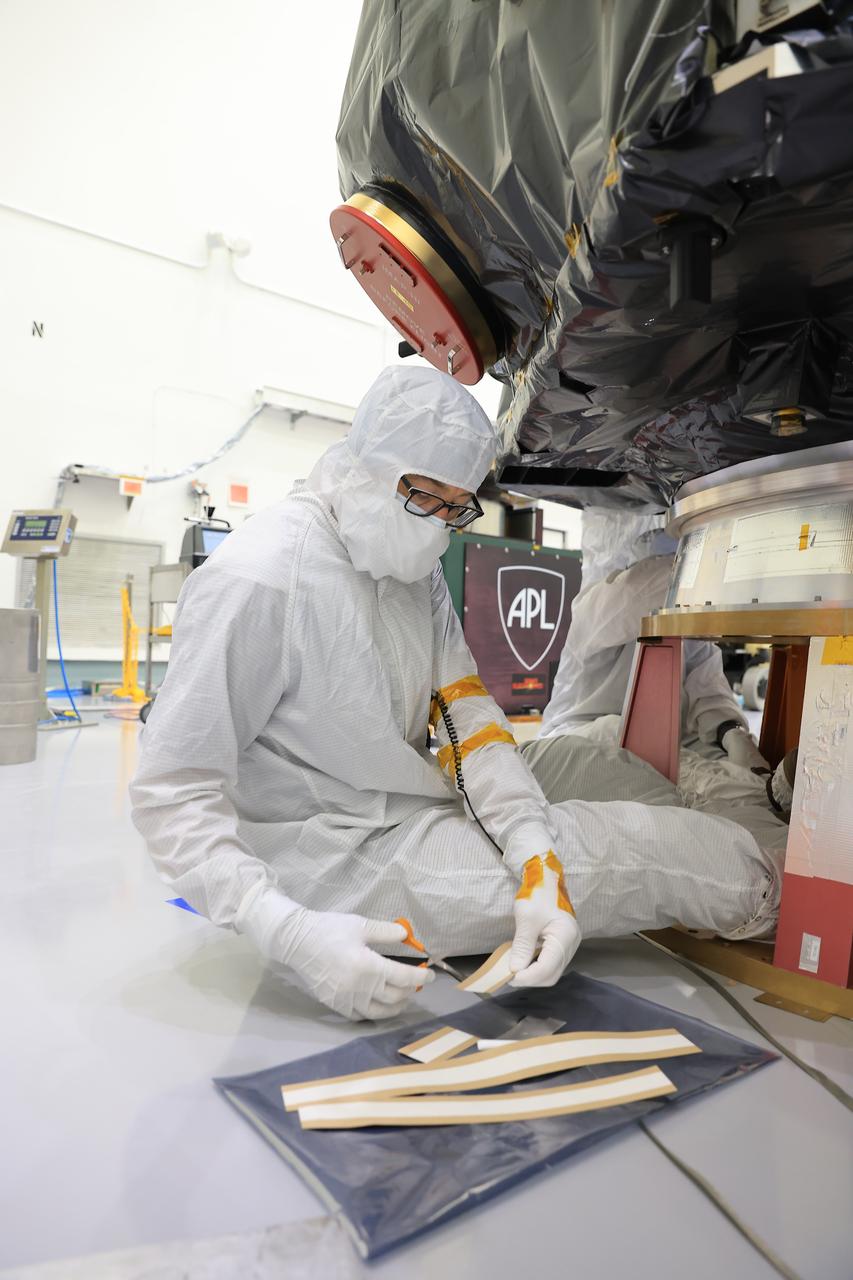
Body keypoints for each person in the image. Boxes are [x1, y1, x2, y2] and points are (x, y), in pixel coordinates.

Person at [131, 367, 783, 1024]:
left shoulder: (408, 567)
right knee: (654, 850)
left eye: (458, 506)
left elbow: (468, 716)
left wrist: (530, 847)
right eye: (426, 499)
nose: (441, 526)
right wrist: (288, 930)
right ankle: (800, 905)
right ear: (370, 468)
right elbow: (172, 797)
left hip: (414, 795)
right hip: (339, 856)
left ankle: (731, 849)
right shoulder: (261, 579)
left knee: (607, 766)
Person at [538, 508, 768, 770]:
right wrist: (741, 554)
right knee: (633, 742)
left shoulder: (684, 626)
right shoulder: (597, 607)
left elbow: (708, 692)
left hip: (653, 744)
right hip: (575, 740)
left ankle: (759, 789)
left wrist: (731, 732)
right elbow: (648, 589)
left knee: (718, 761)